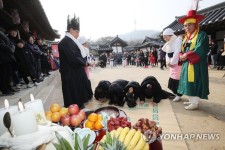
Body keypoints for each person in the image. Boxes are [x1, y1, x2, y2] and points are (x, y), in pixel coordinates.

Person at [177, 9, 210, 110]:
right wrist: (181, 56)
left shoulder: (201, 35)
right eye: (186, 25)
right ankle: (192, 100)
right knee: (188, 81)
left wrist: (186, 55)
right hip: (187, 63)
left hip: (197, 64)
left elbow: (200, 49)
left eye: (190, 25)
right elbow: (182, 49)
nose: (187, 27)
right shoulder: (186, 38)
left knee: (195, 81)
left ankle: (195, 103)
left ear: (196, 24)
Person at [58, 14, 90, 108]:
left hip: (75, 75)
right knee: (74, 102)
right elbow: (74, 58)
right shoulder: (65, 42)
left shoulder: (71, 41)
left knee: (78, 99)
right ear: (71, 30)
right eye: (77, 31)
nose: (78, 34)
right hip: (71, 76)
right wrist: (85, 62)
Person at [162, 28, 183, 102]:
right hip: (171, 63)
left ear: (171, 35)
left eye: (166, 37)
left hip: (177, 62)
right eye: (164, 37)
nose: (165, 39)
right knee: (173, 77)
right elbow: (167, 54)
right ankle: (176, 93)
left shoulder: (177, 41)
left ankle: (179, 94)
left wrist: (172, 62)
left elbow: (177, 52)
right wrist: (168, 62)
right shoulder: (168, 43)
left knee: (177, 78)